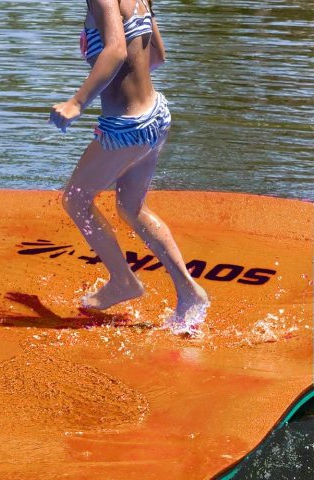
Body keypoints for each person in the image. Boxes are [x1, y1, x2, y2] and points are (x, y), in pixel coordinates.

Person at [48, 0, 208, 334]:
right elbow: (157, 57)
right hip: (157, 114)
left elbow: (117, 51)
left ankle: (123, 280)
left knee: (76, 199)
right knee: (131, 207)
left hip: (127, 126)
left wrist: (76, 103)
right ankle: (189, 292)